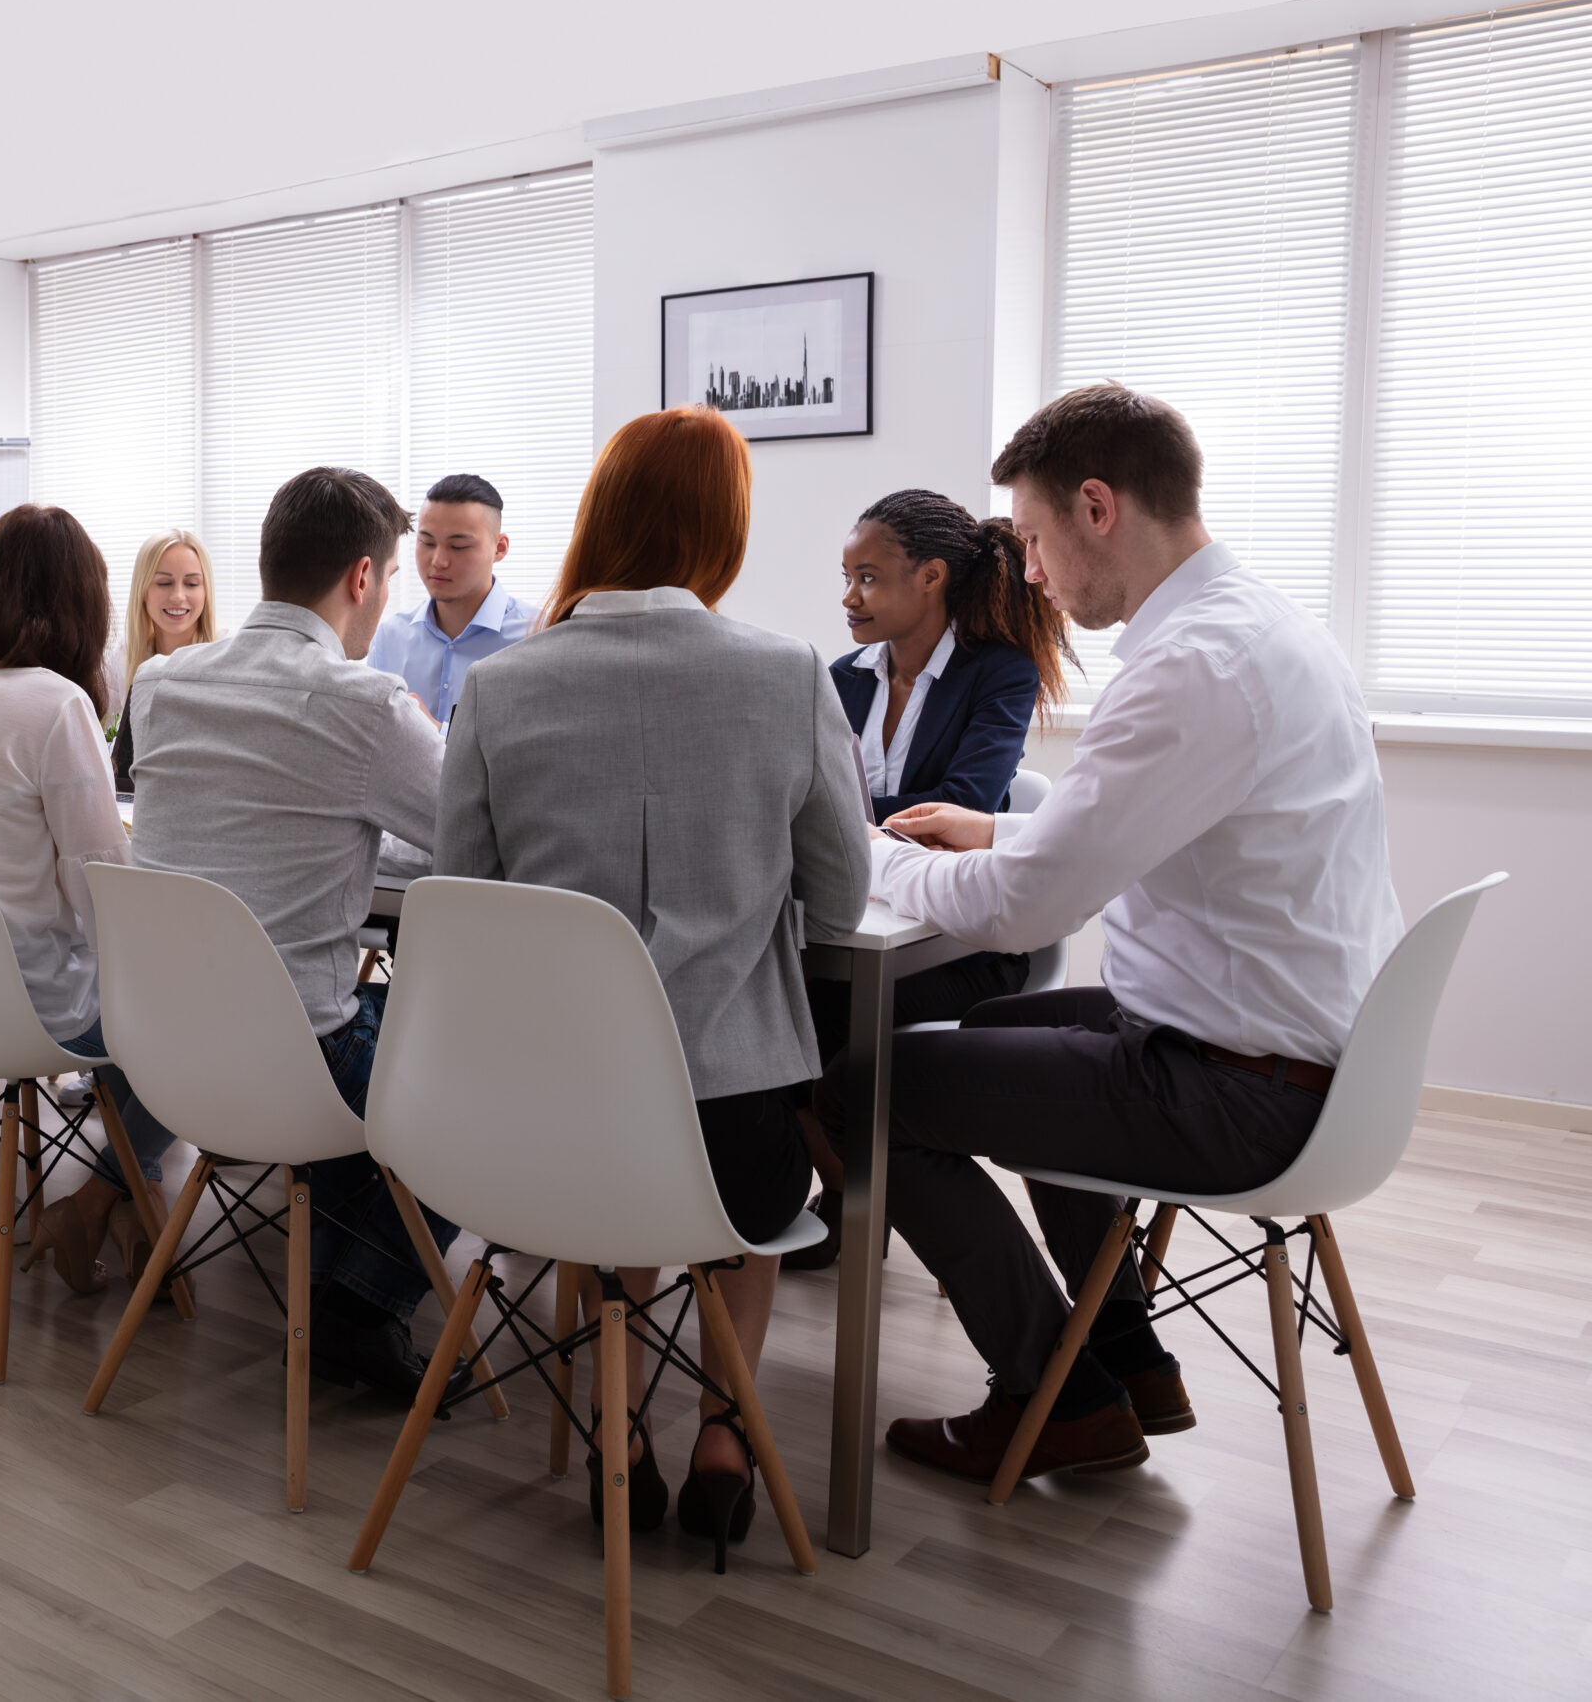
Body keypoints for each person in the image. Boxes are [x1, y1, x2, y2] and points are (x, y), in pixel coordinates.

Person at [821, 383, 1402, 1484]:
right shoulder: (1264, 627)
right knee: (1004, 1022)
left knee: (860, 1093)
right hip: (1288, 1051)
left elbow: (1027, 907)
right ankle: (1128, 1357)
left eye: (1034, 539)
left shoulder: (1191, 667)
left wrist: (862, 854)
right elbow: (1155, 827)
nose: (1028, 572)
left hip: (1237, 1089)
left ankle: (1055, 1392)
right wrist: (992, 828)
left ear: (1096, 508)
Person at [437, 406, 868, 1554]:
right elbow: (840, 894)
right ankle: (723, 1434)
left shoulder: (501, 686)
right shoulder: (783, 675)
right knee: (734, 1172)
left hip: (542, 1129)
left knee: (620, 1149)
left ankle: (614, 1427)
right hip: (729, 1131)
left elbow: (458, 900)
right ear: (722, 527)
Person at [127, 466, 466, 1404]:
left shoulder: (160, 682)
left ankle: (344, 1282)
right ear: (363, 578)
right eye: (394, 574)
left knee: (378, 1016)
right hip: (297, 1063)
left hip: (166, 1053)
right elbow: (476, 835)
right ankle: (358, 1298)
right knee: (468, 1057)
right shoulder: (366, 704)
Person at [0, 504, 185, 1275]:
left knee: (141, 995)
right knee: (187, 1009)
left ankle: (112, 1201)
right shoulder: (55, 703)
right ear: (81, 601)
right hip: (29, 1005)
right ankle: (113, 1196)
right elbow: (99, 883)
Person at [786, 488, 1078, 1270]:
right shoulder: (837, 676)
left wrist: (853, 817)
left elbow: (964, 805)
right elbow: (813, 803)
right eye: (846, 577)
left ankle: (861, 1203)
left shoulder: (999, 675)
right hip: (857, 921)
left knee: (816, 1019)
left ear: (932, 578)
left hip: (959, 943)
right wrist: (869, 817)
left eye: (869, 577)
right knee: (778, 1012)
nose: (850, 597)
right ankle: (851, 1194)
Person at [364, 473, 536, 725]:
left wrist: (434, 734)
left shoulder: (537, 636)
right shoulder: (389, 639)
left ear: (499, 548)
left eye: (458, 547)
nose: (438, 561)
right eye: (426, 542)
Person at [109, 528, 218, 793]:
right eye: (164, 583)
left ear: (206, 591)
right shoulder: (123, 657)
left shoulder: (225, 655)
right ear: (143, 590)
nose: (179, 596)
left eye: (191, 584)